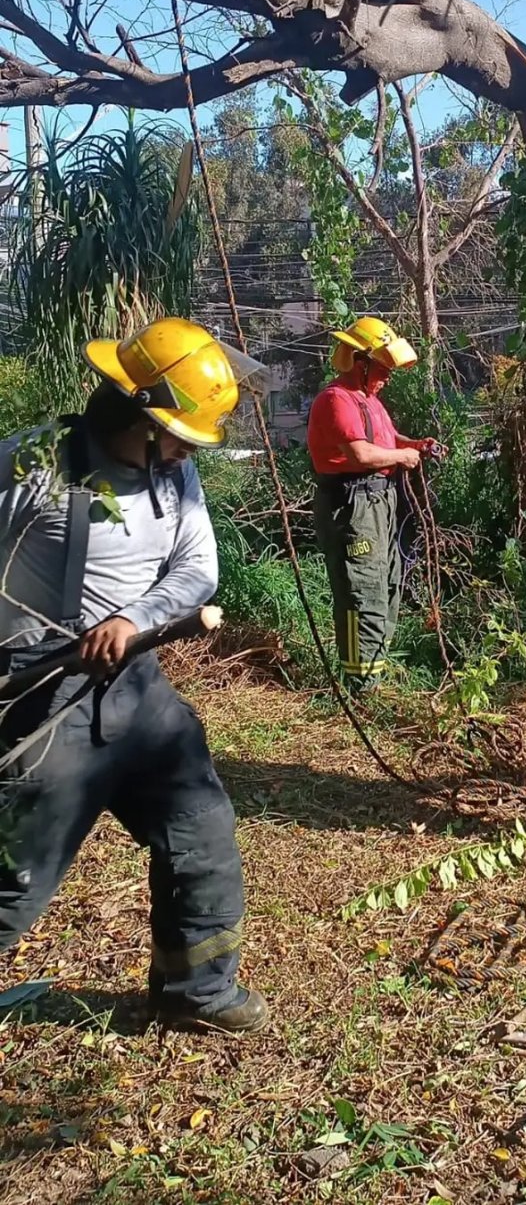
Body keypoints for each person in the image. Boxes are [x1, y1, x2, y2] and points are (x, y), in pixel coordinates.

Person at [0, 318, 269, 1035]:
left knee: (200, 829)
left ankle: (197, 994)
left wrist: (134, 618)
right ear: (140, 416)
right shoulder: (28, 468)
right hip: (41, 700)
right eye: (180, 433)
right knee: (13, 886)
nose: (189, 449)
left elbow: (197, 569)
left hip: (136, 691)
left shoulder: (176, 478)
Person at [307, 317, 441, 695]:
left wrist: (412, 445)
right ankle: (360, 687)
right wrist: (401, 456)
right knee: (361, 589)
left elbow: (383, 437)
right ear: (359, 361)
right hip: (352, 504)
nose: (387, 376)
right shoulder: (336, 399)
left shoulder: (370, 402)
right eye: (382, 368)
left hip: (381, 500)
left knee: (389, 582)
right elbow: (360, 452)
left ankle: (374, 673)